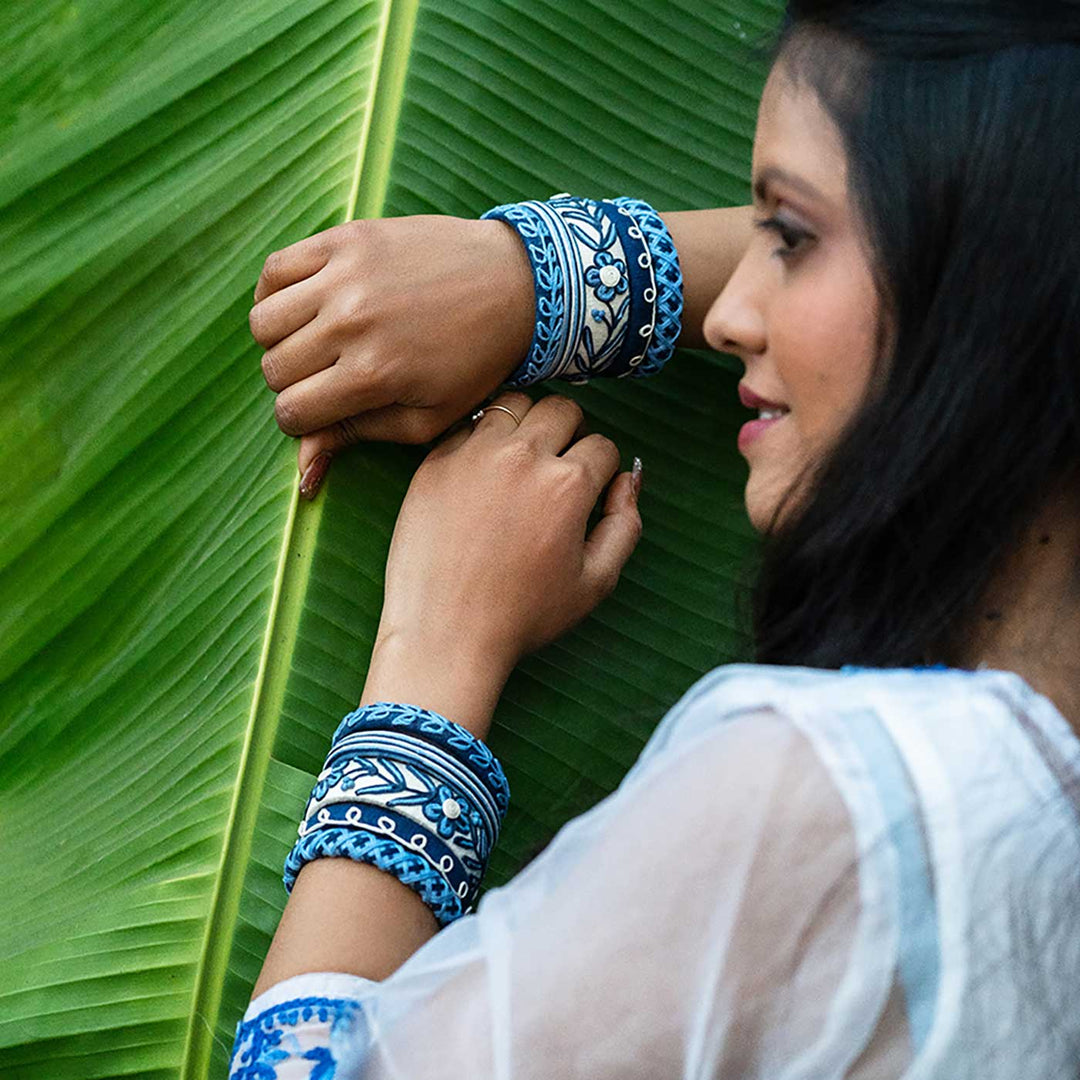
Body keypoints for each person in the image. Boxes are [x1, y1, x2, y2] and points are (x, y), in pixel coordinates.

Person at [229, 1, 1080, 1076]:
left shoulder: (829, 809)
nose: (730, 316)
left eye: (792, 235)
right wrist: (547, 281)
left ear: (1003, 279)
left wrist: (433, 664)